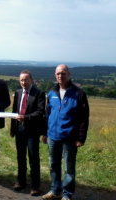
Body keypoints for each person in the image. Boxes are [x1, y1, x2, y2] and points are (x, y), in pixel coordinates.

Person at [42, 64, 89, 200]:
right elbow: (47, 114)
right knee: (53, 165)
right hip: (52, 136)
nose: (60, 76)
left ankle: (67, 194)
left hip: (69, 137)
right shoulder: (51, 93)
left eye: (63, 73)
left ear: (69, 74)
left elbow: (83, 118)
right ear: (55, 75)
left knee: (69, 168)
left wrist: (81, 138)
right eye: (57, 74)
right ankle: (55, 191)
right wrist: (45, 132)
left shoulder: (79, 94)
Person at [10, 70, 47, 196]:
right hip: (19, 130)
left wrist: (26, 117)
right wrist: (12, 128)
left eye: (26, 80)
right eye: (21, 80)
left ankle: (35, 186)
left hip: (32, 131)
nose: (23, 82)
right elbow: (15, 111)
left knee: (33, 158)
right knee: (20, 157)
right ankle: (21, 181)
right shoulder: (18, 92)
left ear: (31, 80)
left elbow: (40, 112)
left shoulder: (39, 93)